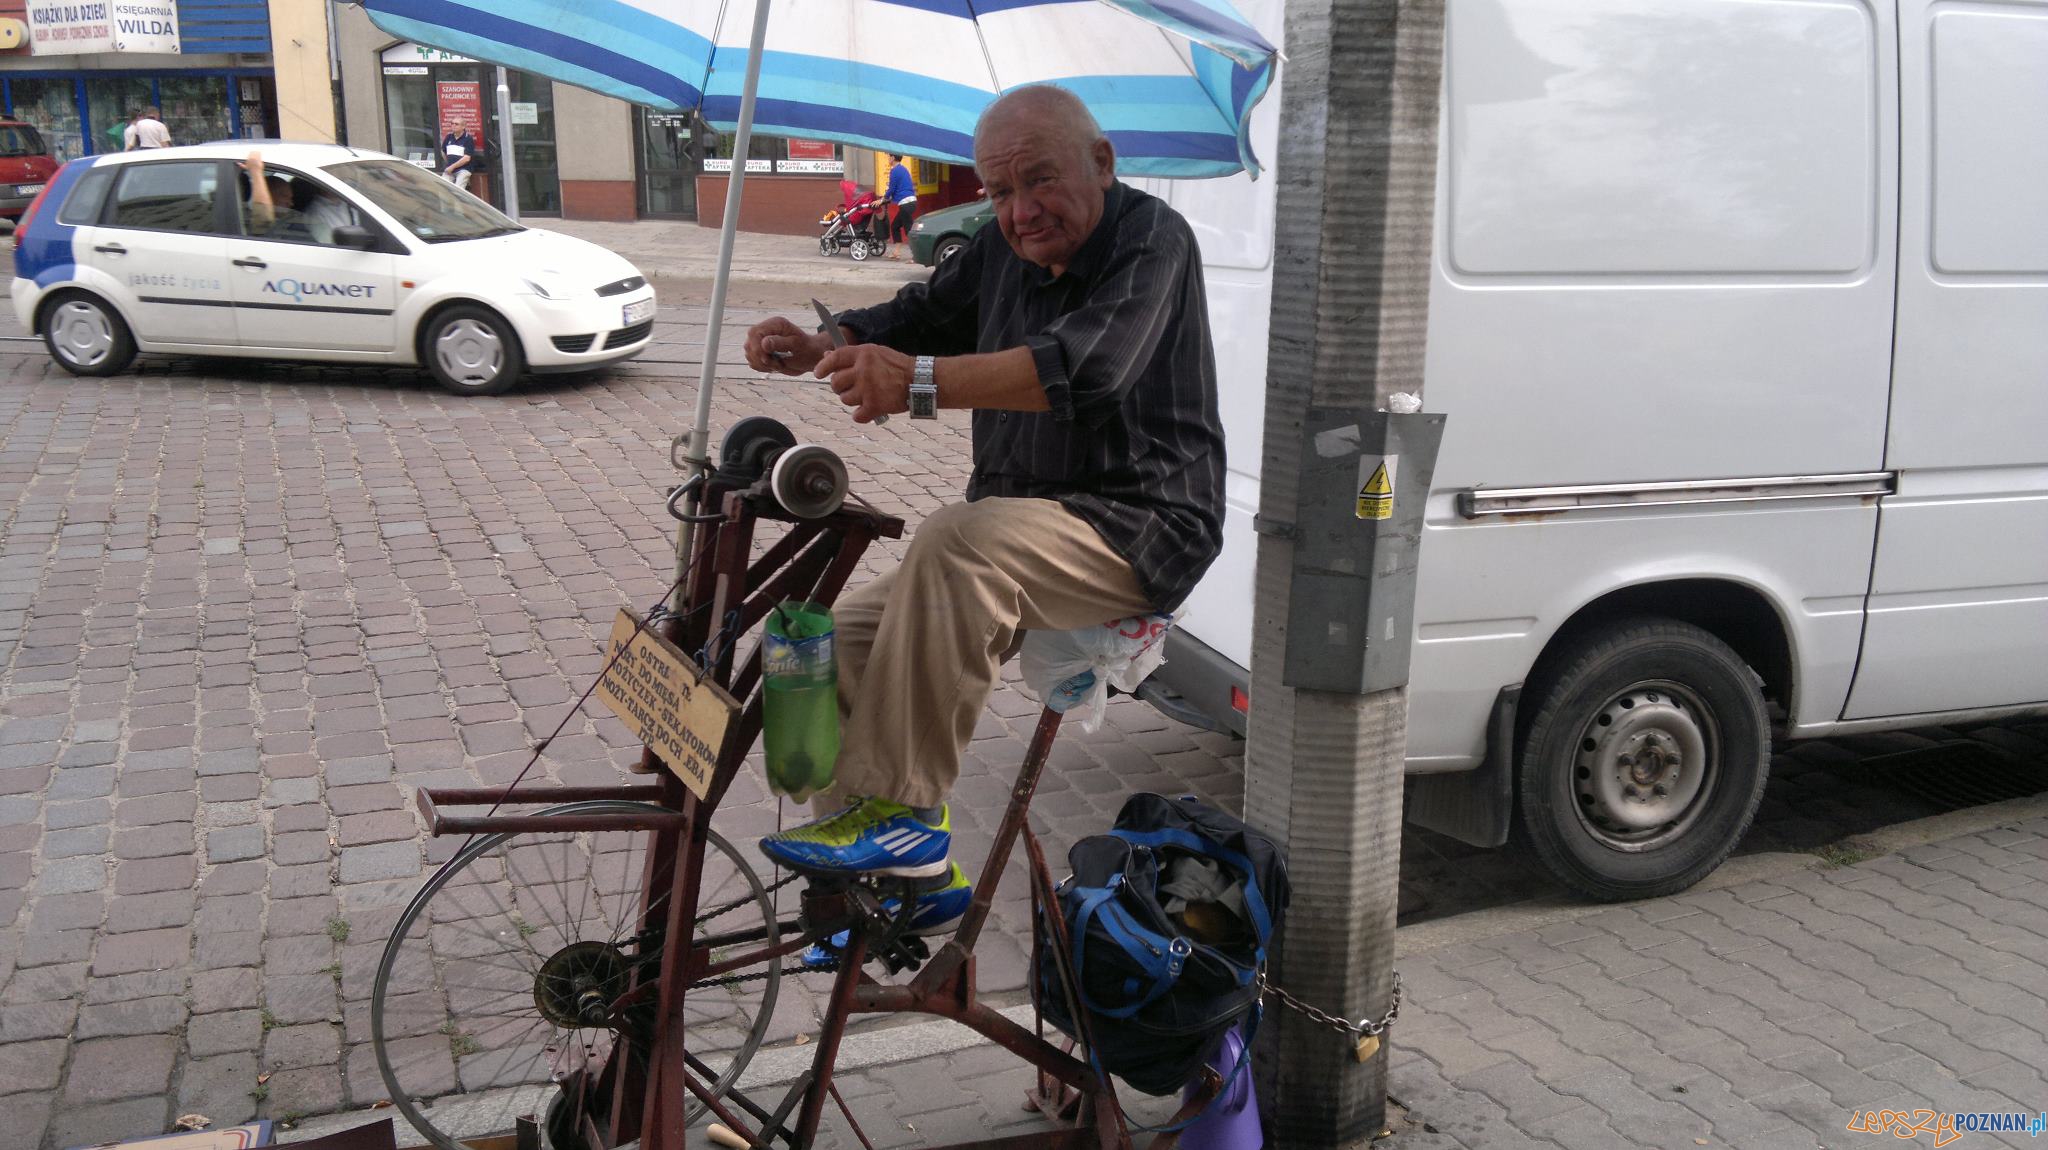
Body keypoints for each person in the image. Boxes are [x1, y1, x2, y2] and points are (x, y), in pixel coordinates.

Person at [741, 86, 1224, 931]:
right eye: (1000, 192)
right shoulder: (1001, 250)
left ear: (1102, 164)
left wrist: (917, 383)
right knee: (827, 645)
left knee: (959, 541)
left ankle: (904, 820)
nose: (1020, 210)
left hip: (1141, 524)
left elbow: (1089, 368)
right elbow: (919, 313)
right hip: (1020, 522)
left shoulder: (1153, 239)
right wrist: (830, 343)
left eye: (1040, 181)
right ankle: (880, 892)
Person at [242, 151, 355, 243]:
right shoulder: (250, 218)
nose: (290, 203)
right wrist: (256, 172)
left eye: (291, 198)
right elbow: (262, 223)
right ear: (269, 195)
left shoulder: (296, 219)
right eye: (284, 196)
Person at [884, 153, 917, 259]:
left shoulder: (895, 170)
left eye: (888, 157)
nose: (888, 159)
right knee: (895, 226)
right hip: (909, 202)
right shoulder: (903, 169)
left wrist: (883, 199)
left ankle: (916, 256)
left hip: (906, 203)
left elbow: (892, 189)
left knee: (908, 230)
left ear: (893, 158)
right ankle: (896, 252)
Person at [441, 123, 478, 189]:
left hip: (463, 169)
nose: (453, 125)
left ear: (463, 127)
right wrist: (449, 164)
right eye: (452, 123)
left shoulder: (468, 138)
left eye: (456, 124)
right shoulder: (449, 137)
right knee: (443, 188)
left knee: (458, 190)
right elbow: (443, 152)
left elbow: (467, 158)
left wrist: (452, 166)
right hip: (450, 169)